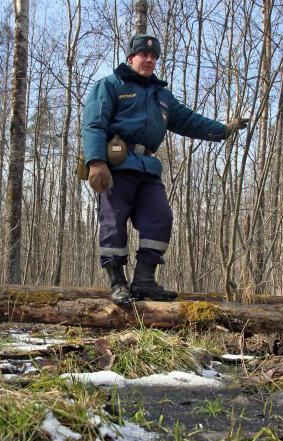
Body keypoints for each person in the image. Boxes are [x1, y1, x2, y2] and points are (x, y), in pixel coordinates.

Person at [82, 34, 248, 304]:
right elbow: (93, 124)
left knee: (160, 218)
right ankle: (118, 283)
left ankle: (144, 281)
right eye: (143, 55)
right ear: (131, 58)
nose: (148, 59)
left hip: (147, 168)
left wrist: (223, 130)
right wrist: (96, 161)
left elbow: (189, 121)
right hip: (116, 166)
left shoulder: (162, 97)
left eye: (153, 56)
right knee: (113, 223)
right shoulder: (110, 85)